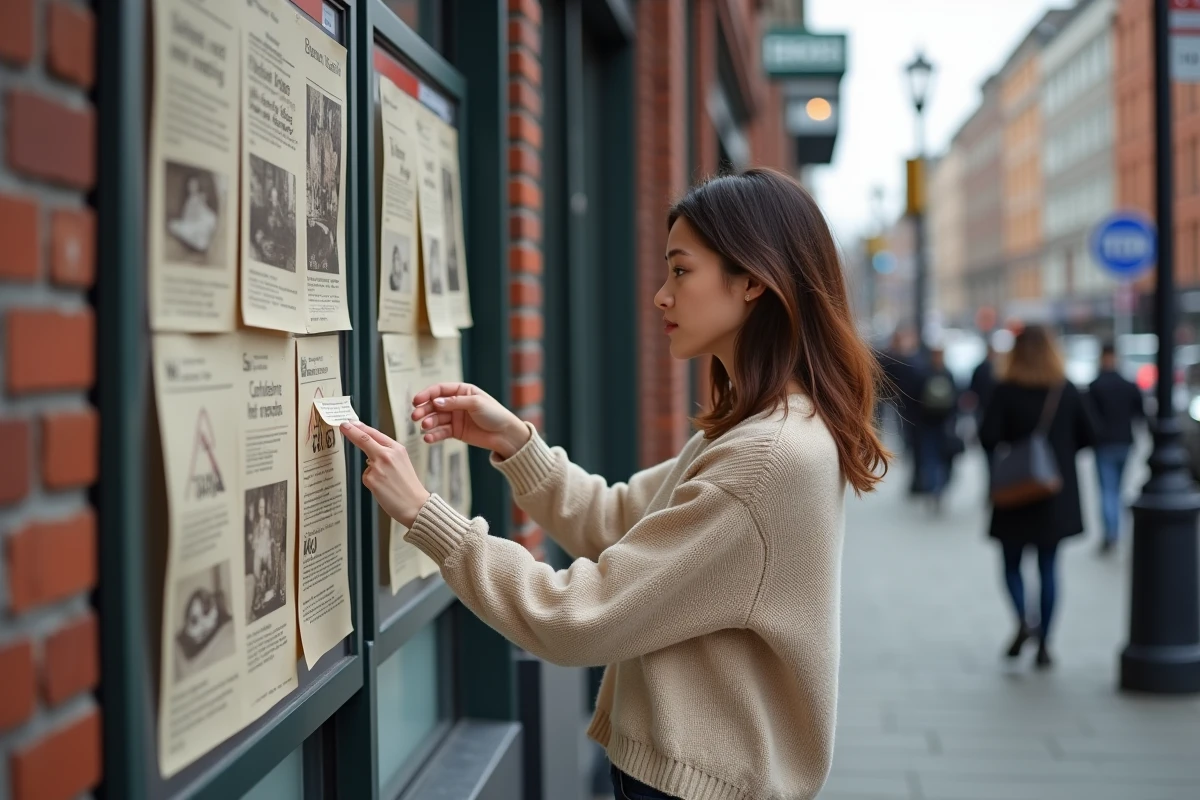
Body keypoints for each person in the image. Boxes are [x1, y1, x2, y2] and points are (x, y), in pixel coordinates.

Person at [341, 169, 889, 800]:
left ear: (753, 281)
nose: (661, 295)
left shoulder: (766, 456)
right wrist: (517, 446)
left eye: (681, 271)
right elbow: (623, 518)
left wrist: (425, 516)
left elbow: (579, 617)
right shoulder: (762, 428)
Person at [979, 326, 1096, 669]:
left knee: (1011, 565)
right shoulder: (1066, 389)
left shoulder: (1005, 390)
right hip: (1052, 494)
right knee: (1048, 568)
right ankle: (1045, 642)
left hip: (1015, 493)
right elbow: (1092, 435)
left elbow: (988, 437)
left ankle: (1023, 621)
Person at [1087, 342, 1145, 554]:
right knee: (1117, 490)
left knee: (1107, 491)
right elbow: (1140, 413)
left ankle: (1112, 533)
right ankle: (1115, 531)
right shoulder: (1127, 384)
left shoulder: (1095, 385)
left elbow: (1087, 418)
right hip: (1124, 442)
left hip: (1104, 444)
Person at [914, 346, 961, 510]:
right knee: (943, 458)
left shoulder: (923, 373)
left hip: (927, 423)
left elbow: (915, 399)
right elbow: (956, 400)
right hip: (945, 424)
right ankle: (939, 488)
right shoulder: (948, 373)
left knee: (929, 457)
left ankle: (932, 487)